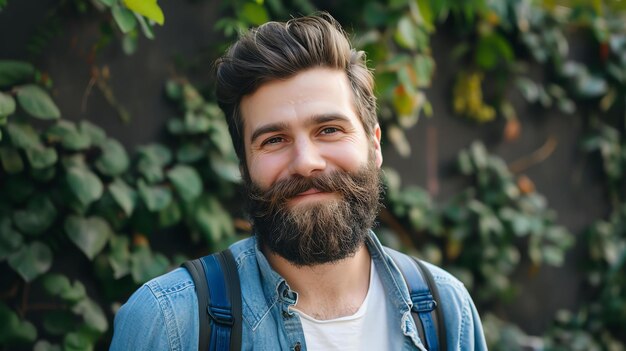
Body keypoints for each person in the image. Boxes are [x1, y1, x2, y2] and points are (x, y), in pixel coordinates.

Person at [109, 12, 487, 351]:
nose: (306, 163)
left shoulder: (446, 312)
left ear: (374, 145)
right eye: (273, 140)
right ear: (245, 164)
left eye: (329, 129)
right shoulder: (170, 322)